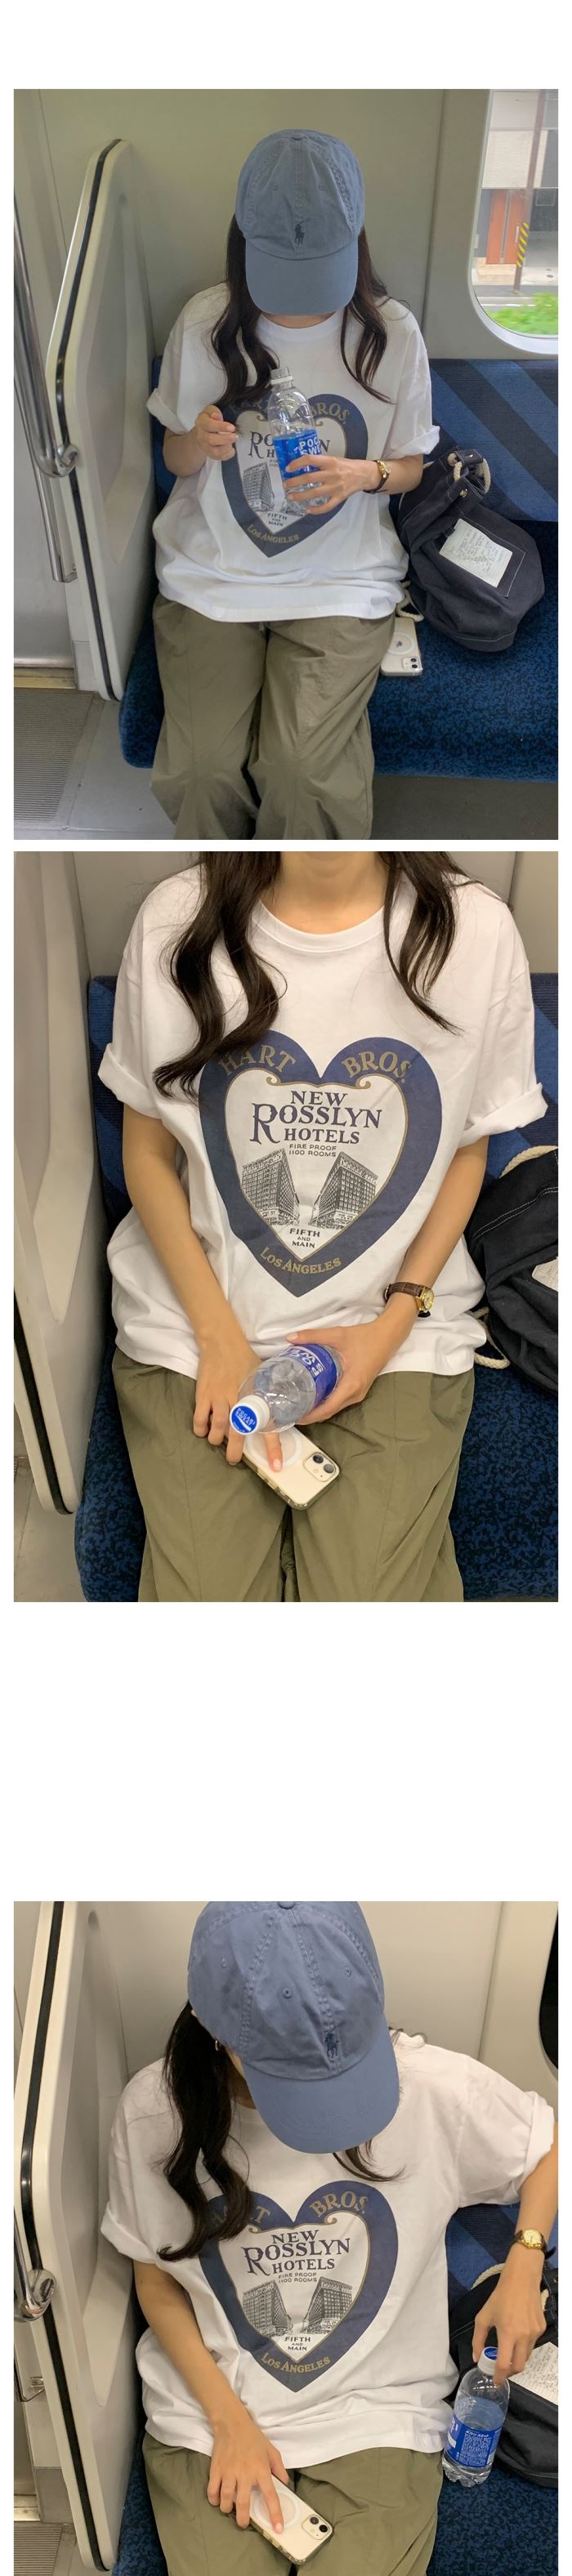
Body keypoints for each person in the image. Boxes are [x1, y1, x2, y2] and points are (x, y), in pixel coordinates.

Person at [102, 1901, 558, 2576]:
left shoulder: (429, 2086)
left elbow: (547, 2144)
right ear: (216, 2032)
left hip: (378, 2409)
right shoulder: (155, 2113)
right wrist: (229, 2422)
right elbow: (156, 2280)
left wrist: (525, 2258)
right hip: (212, 2415)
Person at [99, 847, 546, 1605]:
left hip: (394, 1336)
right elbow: (146, 1153)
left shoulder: (476, 930)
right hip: (193, 1329)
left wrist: (392, 1323)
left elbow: (466, 1147)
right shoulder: (178, 918)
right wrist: (219, 1338)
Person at [146, 128, 438, 839]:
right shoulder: (206, 322)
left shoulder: (393, 334)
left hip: (340, 579)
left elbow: (412, 466)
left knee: (300, 771)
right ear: (244, 246)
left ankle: (305, 892)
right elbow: (175, 459)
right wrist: (198, 440)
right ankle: (226, 893)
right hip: (214, 574)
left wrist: (362, 475)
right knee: (200, 772)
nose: (301, 309)